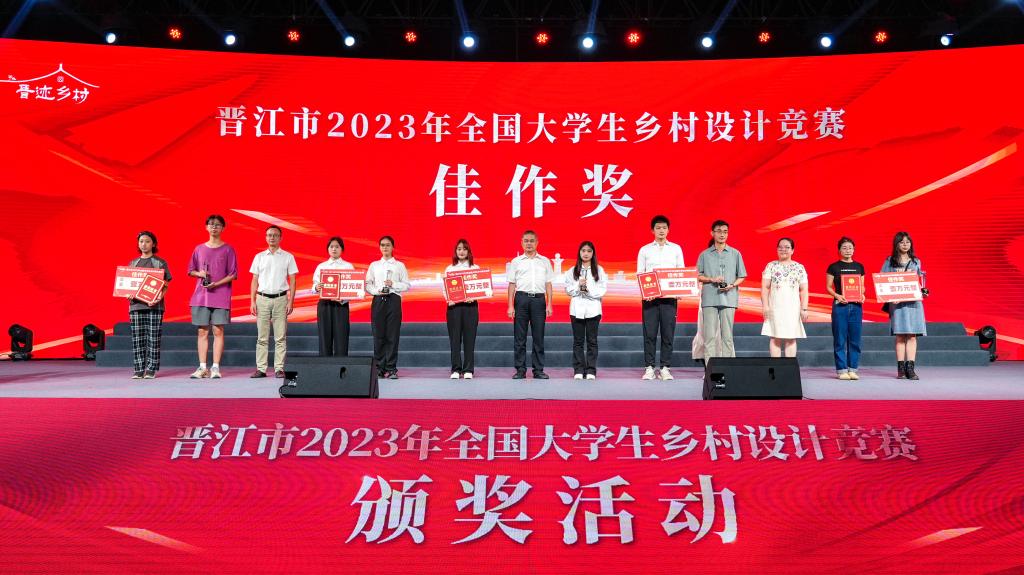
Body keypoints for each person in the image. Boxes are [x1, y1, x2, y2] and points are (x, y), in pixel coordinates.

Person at [187, 214, 237, 380]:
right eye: (211, 224)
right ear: (206, 227)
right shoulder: (199, 249)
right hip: (201, 296)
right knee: (202, 331)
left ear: (223, 228)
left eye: (218, 225)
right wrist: (200, 274)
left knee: (218, 330)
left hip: (220, 296)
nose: (214, 227)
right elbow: (190, 270)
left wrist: (216, 284)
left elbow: (233, 274)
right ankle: (202, 367)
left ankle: (215, 367)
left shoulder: (228, 249)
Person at [636, 215, 685, 381]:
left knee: (668, 333)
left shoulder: (676, 249)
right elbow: (640, 273)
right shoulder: (645, 250)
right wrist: (646, 292)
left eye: (664, 228)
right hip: (650, 299)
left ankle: (665, 368)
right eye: (658, 228)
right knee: (649, 334)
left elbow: (680, 271)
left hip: (669, 299)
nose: (661, 230)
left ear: (668, 230)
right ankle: (649, 367)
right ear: (652, 230)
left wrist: (680, 291)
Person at [249, 225, 298, 378]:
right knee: (262, 337)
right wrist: (252, 301)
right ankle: (261, 369)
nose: (272, 237)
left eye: (275, 235)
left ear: (280, 238)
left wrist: (291, 301)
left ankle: (279, 368)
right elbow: (254, 280)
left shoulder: (288, 257)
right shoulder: (259, 257)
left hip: (281, 299)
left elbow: (293, 280)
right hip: (262, 299)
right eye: (269, 235)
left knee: (280, 337)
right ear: (266, 237)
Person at [696, 220, 747, 359]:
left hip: (729, 298)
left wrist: (732, 285)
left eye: (725, 232)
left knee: (727, 337)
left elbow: (742, 276)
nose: (722, 234)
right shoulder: (704, 254)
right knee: (709, 337)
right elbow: (698, 276)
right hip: (710, 299)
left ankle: (727, 367)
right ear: (712, 233)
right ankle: (710, 367)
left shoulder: (735, 253)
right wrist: (711, 279)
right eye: (719, 231)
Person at [507, 230, 554, 379]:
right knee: (519, 338)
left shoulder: (545, 261)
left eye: (531, 241)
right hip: (521, 299)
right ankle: (520, 370)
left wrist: (549, 304)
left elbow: (548, 284)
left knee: (538, 337)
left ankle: (538, 370)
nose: (529, 243)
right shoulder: (516, 262)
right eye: (526, 241)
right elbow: (512, 284)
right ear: (521, 243)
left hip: (539, 300)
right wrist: (510, 305)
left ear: (537, 243)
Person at [882, 231, 927, 380]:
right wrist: (890, 297)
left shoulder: (916, 261)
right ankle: (900, 369)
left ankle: (910, 369)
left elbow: (920, 281)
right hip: (898, 305)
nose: (905, 244)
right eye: (902, 242)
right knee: (900, 336)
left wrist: (923, 291)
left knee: (912, 336)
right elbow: (882, 281)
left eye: (908, 242)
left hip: (914, 304)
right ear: (896, 244)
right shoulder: (890, 261)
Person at [126, 231, 171, 379]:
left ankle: (151, 369)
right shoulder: (133, 263)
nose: (144, 244)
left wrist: (158, 298)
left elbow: (165, 285)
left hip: (154, 306)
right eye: (141, 241)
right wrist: (128, 294)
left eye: (147, 241)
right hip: (136, 306)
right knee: (137, 338)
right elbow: (127, 285)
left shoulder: (160, 263)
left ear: (153, 244)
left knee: (154, 338)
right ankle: (138, 369)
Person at [366, 235, 410, 379]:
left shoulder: (399, 265)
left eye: (388, 245)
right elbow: (368, 284)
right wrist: (376, 291)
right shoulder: (374, 265)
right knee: (378, 335)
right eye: (383, 245)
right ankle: (379, 368)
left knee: (392, 335)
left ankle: (391, 368)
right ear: (379, 247)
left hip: (393, 300)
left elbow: (407, 285)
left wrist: (394, 284)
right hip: (378, 300)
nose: (385, 247)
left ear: (393, 247)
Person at [566, 241, 608, 380]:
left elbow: (602, 290)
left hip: (593, 309)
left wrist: (588, 290)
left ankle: (591, 370)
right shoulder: (572, 271)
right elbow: (568, 290)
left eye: (589, 251)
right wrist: (578, 286)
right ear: (579, 252)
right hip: (576, 309)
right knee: (578, 341)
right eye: (583, 250)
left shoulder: (599, 270)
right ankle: (578, 369)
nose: (586, 253)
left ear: (593, 253)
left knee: (592, 341)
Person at [760, 238, 808, 357]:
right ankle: (776, 366)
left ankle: (789, 367)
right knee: (775, 336)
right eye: (780, 247)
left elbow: (804, 290)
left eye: (787, 247)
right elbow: (765, 287)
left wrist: (804, 308)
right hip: (775, 307)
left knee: (791, 337)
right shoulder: (771, 266)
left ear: (792, 250)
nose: (783, 250)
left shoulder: (799, 267)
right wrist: (765, 306)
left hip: (793, 308)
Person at [826, 237, 865, 380]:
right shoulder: (833, 267)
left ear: (854, 250)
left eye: (850, 248)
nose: (848, 250)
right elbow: (828, 287)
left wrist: (862, 294)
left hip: (856, 306)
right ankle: (842, 370)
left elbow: (862, 286)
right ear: (839, 250)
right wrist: (837, 295)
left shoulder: (859, 266)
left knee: (855, 339)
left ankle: (853, 369)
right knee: (840, 339)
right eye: (844, 248)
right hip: (840, 306)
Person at [312, 236, 355, 357]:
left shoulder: (348, 266)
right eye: (331, 247)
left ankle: (341, 365)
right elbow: (314, 286)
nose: (334, 249)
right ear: (328, 249)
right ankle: (325, 365)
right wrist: (316, 287)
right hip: (324, 304)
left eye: (337, 247)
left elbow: (353, 289)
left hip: (341, 305)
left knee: (341, 337)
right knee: (324, 336)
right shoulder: (321, 266)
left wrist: (344, 299)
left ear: (342, 249)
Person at [444, 239, 480, 379]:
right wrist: (449, 299)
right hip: (454, 308)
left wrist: (474, 296)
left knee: (470, 339)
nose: (461, 251)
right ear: (455, 251)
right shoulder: (450, 269)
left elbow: (480, 287)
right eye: (459, 249)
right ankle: (455, 369)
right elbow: (444, 288)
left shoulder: (475, 268)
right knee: (455, 339)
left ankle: (468, 369)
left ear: (468, 251)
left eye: (464, 249)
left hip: (470, 307)